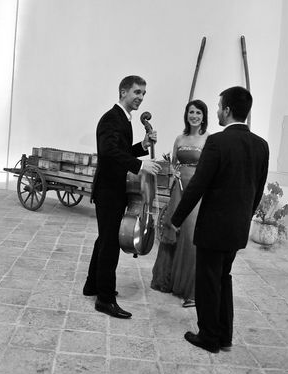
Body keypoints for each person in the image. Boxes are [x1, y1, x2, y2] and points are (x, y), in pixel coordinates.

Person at [170, 86, 269, 353]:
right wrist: (244, 219)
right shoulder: (261, 145)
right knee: (223, 278)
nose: (216, 112)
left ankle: (209, 337)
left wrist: (176, 218)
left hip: (214, 227)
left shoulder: (217, 142)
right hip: (237, 228)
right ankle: (225, 335)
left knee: (208, 281)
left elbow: (198, 184)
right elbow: (257, 190)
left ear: (226, 110)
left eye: (218, 107)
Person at [83, 75, 161, 319]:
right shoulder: (111, 118)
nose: (140, 97)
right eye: (137, 92)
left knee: (104, 239)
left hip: (115, 188)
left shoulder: (123, 120)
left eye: (143, 94)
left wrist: (142, 146)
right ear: (123, 92)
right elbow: (108, 153)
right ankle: (104, 299)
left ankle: (92, 285)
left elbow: (121, 150)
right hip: (109, 190)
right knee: (110, 243)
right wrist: (140, 166)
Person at [151, 100, 209, 308]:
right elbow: (175, 162)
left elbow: (209, 167)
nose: (194, 115)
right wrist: (174, 171)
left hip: (196, 190)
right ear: (187, 115)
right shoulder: (180, 138)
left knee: (190, 234)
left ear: (204, 116)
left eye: (198, 112)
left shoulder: (207, 139)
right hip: (179, 188)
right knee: (173, 229)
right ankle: (167, 281)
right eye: (191, 112)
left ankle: (190, 289)